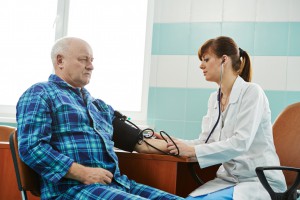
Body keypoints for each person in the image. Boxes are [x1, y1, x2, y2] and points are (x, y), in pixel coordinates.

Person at [16, 37, 183, 200]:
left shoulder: (98, 106)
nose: (91, 66)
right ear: (60, 61)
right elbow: (32, 147)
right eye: (83, 60)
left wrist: (178, 146)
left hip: (116, 185)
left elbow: (137, 141)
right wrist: (83, 173)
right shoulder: (40, 94)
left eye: (92, 60)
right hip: (71, 190)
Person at [166, 36, 287, 200]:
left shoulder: (252, 92)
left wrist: (192, 150)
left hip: (258, 181)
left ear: (224, 60)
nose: (201, 65)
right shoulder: (214, 99)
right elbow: (206, 142)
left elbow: (241, 142)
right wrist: (174, 142)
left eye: (206, 59)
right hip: (228, 180)